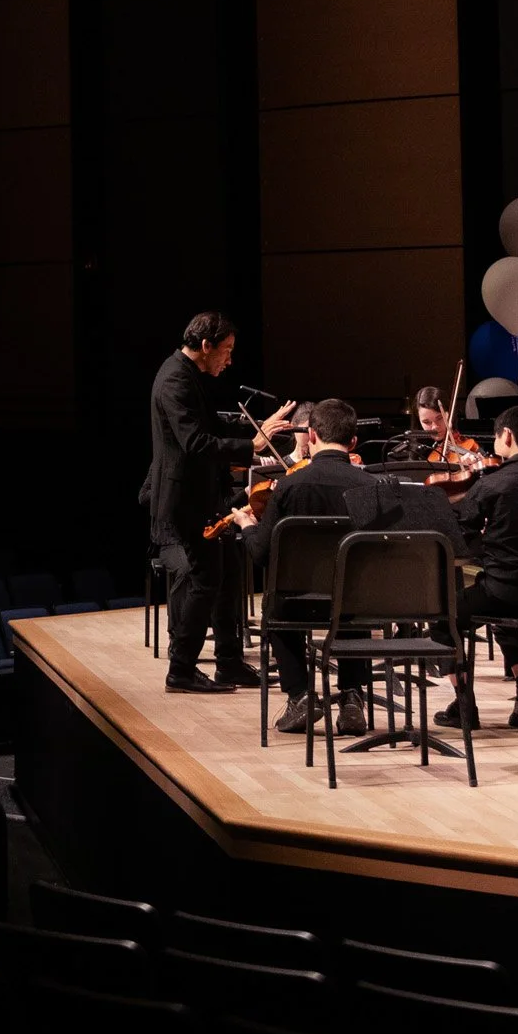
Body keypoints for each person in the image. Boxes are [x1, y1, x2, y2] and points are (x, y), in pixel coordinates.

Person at [141, 311, 291, 693]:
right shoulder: (175, 379)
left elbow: (211, 425)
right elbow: (196, 442)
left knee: (226, 572)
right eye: (225, 351)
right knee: (207, 578)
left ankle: (228, 662)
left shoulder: (189, 375)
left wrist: (256, 428)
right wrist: (251, 446)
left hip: (204, 495)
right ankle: (181, 669)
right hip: (185, 500)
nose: (229, 359)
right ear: (205, 346)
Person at [227, 397, 380, 734]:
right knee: (352, 591)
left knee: (273, 605)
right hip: (356, 606)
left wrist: (247, 525)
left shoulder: (289, 487)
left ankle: (300, 696)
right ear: (353, 442)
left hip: (299, 605)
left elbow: (262, 555)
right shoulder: (372, 487)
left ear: (311, 436)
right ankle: (352, 696)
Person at [438, 406, 518, 731]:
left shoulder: (492, 484)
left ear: (507, 436)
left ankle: (463, 702)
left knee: (442, 617)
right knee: (508, 619)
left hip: (501, 593)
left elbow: (457, 535)